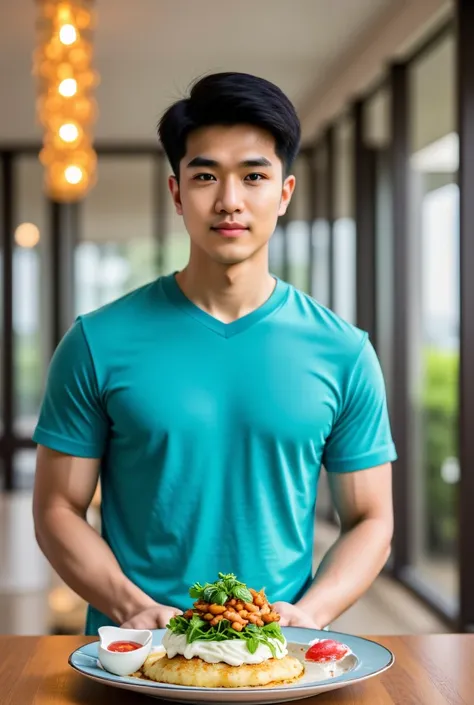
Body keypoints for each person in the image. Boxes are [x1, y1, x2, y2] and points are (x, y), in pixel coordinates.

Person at [32, 72, 396, 636]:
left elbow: (371, 519)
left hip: (280, 658)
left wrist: (311, 615)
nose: (230, 201)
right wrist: (131, 608)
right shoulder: (96, 342)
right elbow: (57, 509)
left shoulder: (344, 352)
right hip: (132, 657)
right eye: (206, 176)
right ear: (177, 193)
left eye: (254, 176)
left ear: (285, 193)